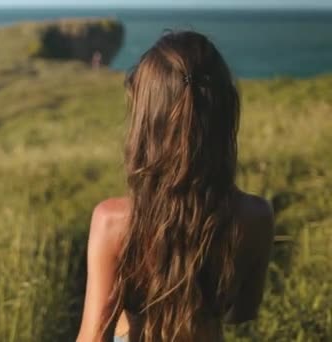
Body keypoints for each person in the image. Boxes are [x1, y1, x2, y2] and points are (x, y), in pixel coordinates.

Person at [76, 31, 275, 342]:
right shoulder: (256, 215)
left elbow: (92, 336)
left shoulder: (112, 221)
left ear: (145, 123)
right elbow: (242, 312)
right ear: (224, 113)